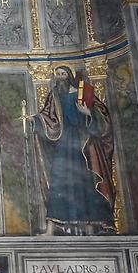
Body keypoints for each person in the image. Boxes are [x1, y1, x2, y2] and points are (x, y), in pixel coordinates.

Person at [33, 66, 115, 235]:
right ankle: (51, 228)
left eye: (63, 74)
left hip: (84, 143)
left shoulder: (83, 93)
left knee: (86, 182)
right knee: (58, 181)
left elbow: (103, 116)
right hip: (64, 143)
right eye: (57, 74)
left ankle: (90, 228)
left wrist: (88, 112)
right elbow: (47, 116)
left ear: (69, 76)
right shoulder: (54, 95)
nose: (60, 77)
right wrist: (34, 120)